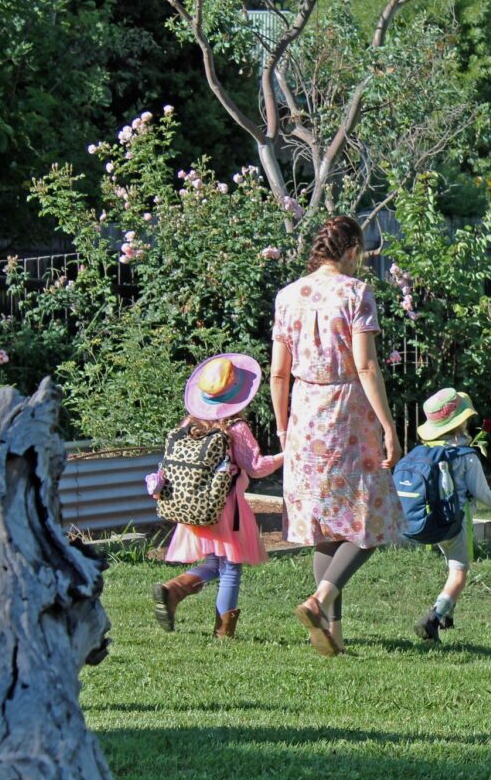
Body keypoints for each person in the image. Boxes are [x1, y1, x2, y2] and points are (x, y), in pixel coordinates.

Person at [270, 215, 405, 657]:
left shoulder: (287, 297)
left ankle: (332, 634)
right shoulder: (355, 292)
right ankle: (319, 601)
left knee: (326, 525)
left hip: (305, 413)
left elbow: (277, 372)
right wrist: (388, 426)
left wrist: (283, 428)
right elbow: (366, 366)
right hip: (347, 414)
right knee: (372, 518)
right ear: (351, 252)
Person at [152, 354, 283, 638]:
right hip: (226, 508)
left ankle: (173, 591)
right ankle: (224, 632)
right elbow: (256, 468)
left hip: (195, 504)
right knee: (231, 567)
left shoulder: (191, 423)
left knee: (214, 562)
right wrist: (287, 455)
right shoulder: (236, 428)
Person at [410, 388, 491, 642]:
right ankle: (433, 619)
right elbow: (484, 494)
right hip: (456, 521)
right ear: (460, 422)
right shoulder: (467, 456)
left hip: (430, 520)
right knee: (460, 572)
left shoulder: (426, 450)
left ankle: (447, 617)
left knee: (451, 563)